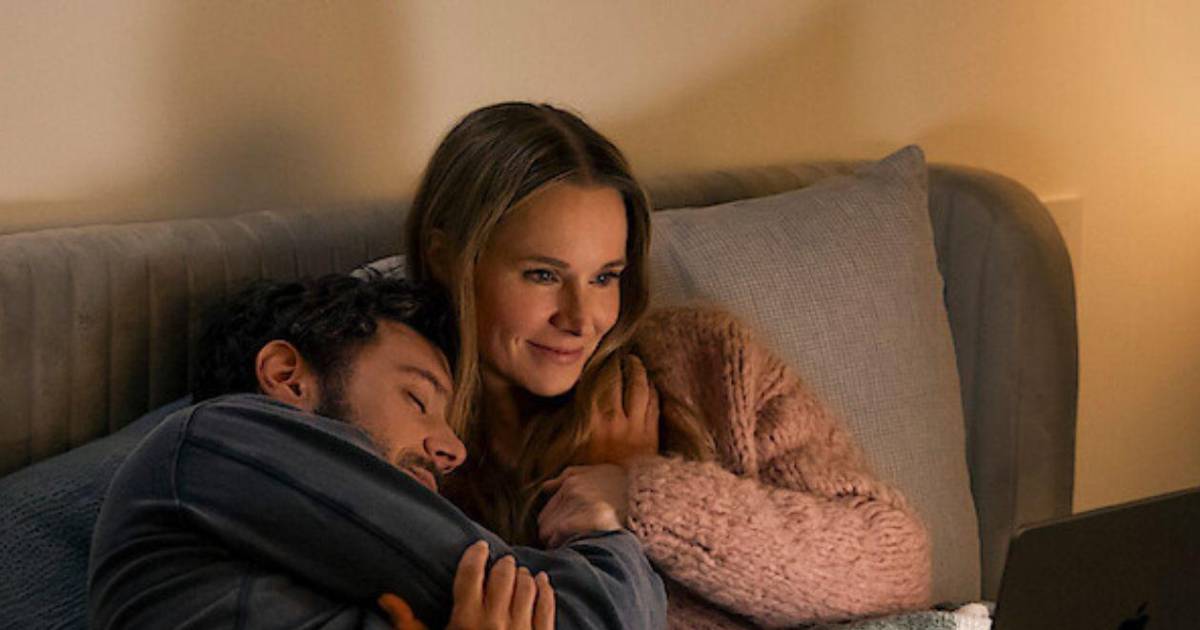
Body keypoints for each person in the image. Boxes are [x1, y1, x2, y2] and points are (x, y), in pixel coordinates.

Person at [399, 102, 934, 628]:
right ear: (448, 259)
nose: (582, 318)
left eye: (605, 277)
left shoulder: (707, 363)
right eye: (543, 275)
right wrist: (596, 533)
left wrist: (641, 496)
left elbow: (896, 569)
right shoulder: (405, 435)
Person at [88, 274, 666, 630]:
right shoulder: (209, 440)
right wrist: (604, 513)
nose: (453, 449)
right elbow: (594, 615)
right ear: (286, 375)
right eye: (417, 399)